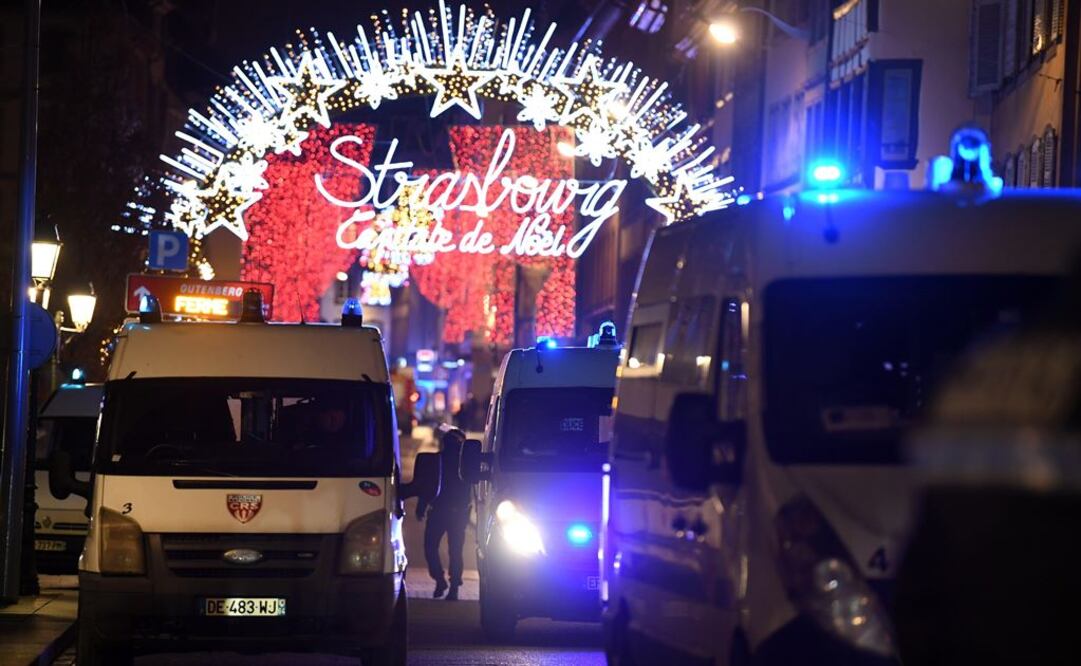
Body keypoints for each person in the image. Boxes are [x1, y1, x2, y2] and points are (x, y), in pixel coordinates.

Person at [417, 428, 471, 600]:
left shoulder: (437, 461)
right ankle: (453, 585)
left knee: (431, 547)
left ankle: (442, 581)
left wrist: (421, 505)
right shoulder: (467, 464)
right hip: (457, 512)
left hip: (439, 511)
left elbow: (427, 486)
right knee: (455, 551)